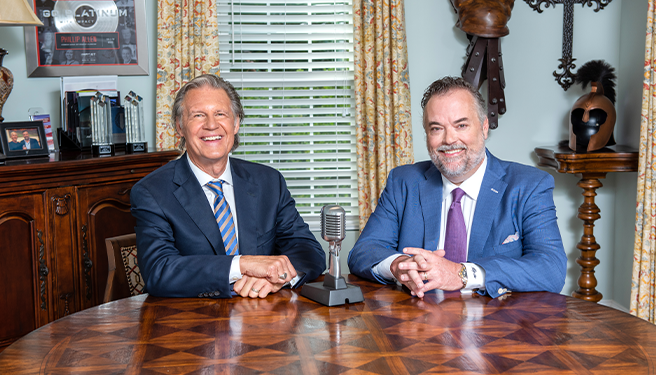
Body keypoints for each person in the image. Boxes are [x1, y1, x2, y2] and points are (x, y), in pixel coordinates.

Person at [348, 76, 567, 299]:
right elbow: (363, 252)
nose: (449, 139)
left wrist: (462, 273)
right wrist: (399, 265)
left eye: (461, 125)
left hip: (497, 326)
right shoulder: (403, 182)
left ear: (484, 127)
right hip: (418, 322)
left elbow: (551, 269)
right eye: (436, 128)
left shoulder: (528, 185)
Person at [130, 74, 326, 299]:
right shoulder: (152, 192)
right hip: (189, 323)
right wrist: (242, 265)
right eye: (198, 115)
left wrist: (277, 279)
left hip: (263, 320)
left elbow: (308, 251)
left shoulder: (268, 182)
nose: (211, 125)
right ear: (180, 127)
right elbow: (160, 271)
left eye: (220, 114)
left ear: (235, 123)